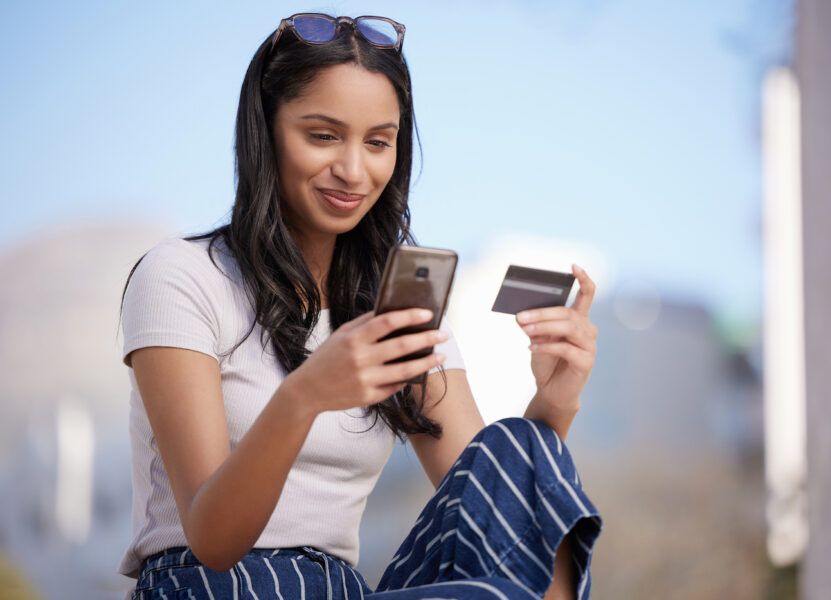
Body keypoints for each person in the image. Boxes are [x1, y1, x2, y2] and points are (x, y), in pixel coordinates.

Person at [117, 11, 602, 600]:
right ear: (264, 131)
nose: (353, 170)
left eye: (378, 143)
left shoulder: (395, 301)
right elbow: (214, 541)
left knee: (518, 449)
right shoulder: (183, 276)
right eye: (322, 136)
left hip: (344, 590)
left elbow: (490, 504)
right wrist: (304, 396)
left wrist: (556, 399)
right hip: (209, 585)